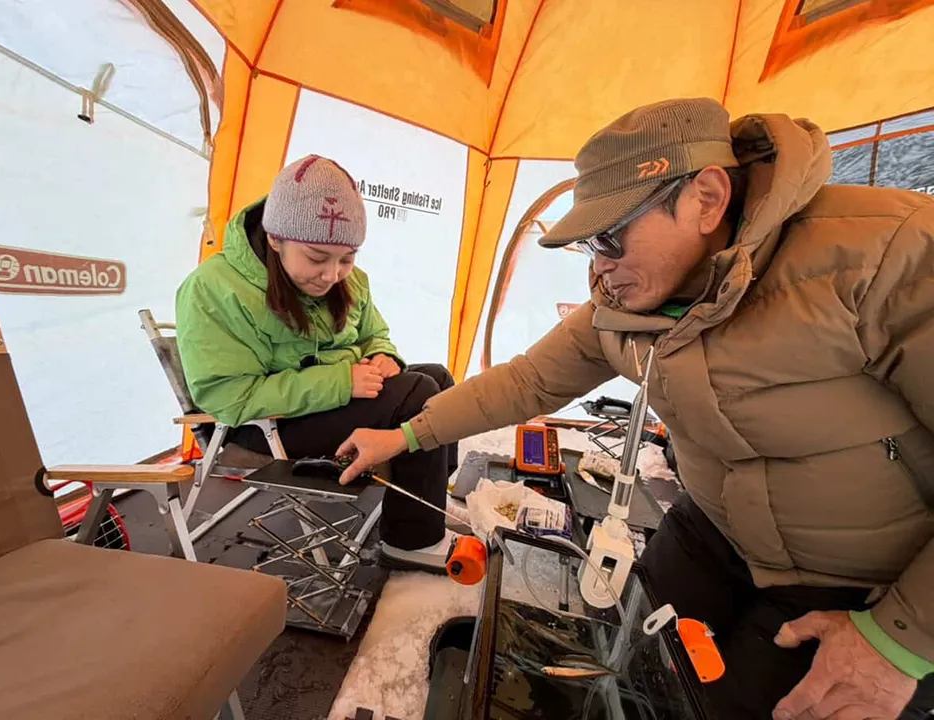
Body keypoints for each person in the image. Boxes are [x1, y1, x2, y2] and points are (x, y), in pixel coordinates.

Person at [336, 99, 934, 718]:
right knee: (623, 680)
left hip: (864, 589)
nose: (600, 269)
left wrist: (900, 642)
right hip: (715, 530)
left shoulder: (891, 256)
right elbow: (528, 380)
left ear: (705, 197)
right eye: (591, 245)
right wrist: (406, 436)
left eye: (612, 238)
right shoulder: (629, 302)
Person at [175, 154, 458, 572]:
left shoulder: (349, 282)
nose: (331, 275)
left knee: (436, 376)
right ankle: (411, 540)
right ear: (276, 238)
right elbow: (229, 397)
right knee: (419, 394)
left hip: (324, 406)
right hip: (263, 425)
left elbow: (373, 333)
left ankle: (427, 493)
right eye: (317, 257)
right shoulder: (213, 289)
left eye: (347, 259)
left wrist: (383, 356)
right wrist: (341, 382)